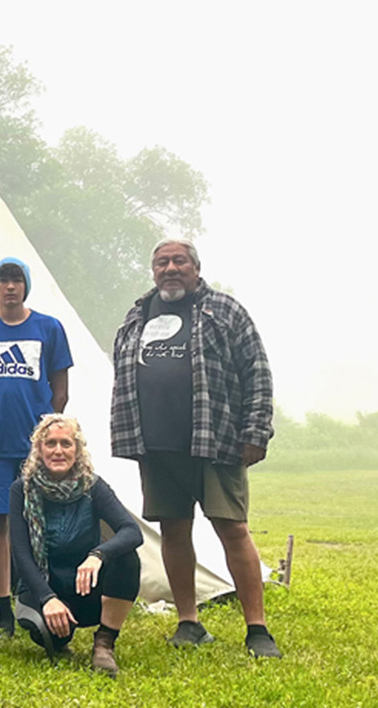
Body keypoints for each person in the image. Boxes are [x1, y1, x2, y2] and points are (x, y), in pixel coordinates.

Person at [110, 238, 281, 658]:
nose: (170, 268)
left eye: (179, 261)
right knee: (173, 529)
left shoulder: (225, 310)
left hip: (214, 439)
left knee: (232, 528)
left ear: (196, 268)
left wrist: (256, 430)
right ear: (153, 271)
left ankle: (256, 629)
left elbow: (256, 370)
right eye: (162, 262)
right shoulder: (137, 316)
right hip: (156, 443)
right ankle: (189, 621)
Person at [0, 257, 74, 637]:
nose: (10, 287)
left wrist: (48, 429)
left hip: (36, 445)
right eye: (4, 280)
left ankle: (44, 595)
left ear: (26, 286)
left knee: (42, 520)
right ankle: (4, 609)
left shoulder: (48, 328)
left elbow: (60, 387)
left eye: (16, 280)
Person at [9, 415, 142, 677]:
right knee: (49, 637)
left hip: (86, 586)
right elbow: (21, 555)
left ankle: (104, 644)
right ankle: (58, 632)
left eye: (66, 444)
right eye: (50, 444)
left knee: (128, 558)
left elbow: (132, 531)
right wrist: (47, 599)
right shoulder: (21, 490)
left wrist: (98, 555)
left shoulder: (93, 486)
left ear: (77, 450)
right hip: (45, 588)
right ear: (39, 449)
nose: (58, 450)